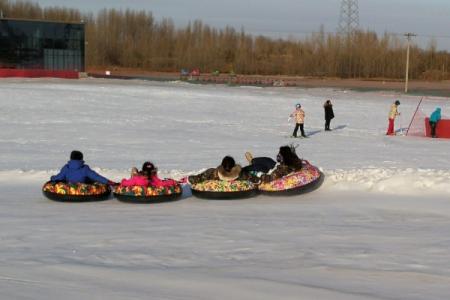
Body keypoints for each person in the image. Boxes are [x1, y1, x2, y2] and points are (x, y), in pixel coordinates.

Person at [50, 150, 117, 185]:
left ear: (71, 158)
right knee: (92, 179)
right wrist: (109, 182)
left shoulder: (66, 167)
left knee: (62, 179)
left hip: (69, 185)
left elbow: (59, 177)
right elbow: (96, 177)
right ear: (81, 159)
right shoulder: (85, 168)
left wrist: (52, 178)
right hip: (83, 186)